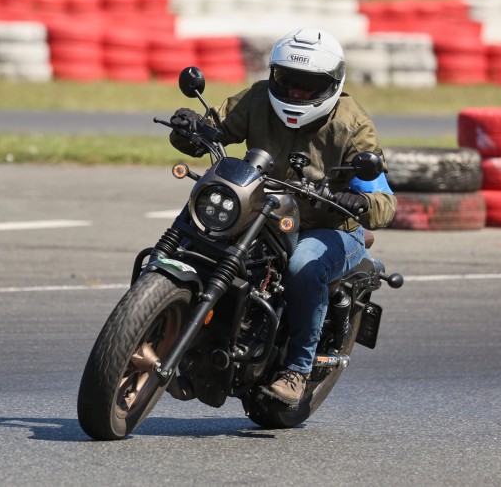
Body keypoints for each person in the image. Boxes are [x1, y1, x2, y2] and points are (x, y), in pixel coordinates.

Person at [168, 27, 397, 406]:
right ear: (275, 75)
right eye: (289, 82)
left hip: (327, 227)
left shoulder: (353, 127)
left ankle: (297, 371)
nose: (296, 93)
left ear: (331, 85)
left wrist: (359, 201)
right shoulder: (257, 99)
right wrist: (189, 128)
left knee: (303, 266)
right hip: (260, 212)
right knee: (204, 223)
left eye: (308, 86)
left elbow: (385, 201)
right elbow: (213, 129)